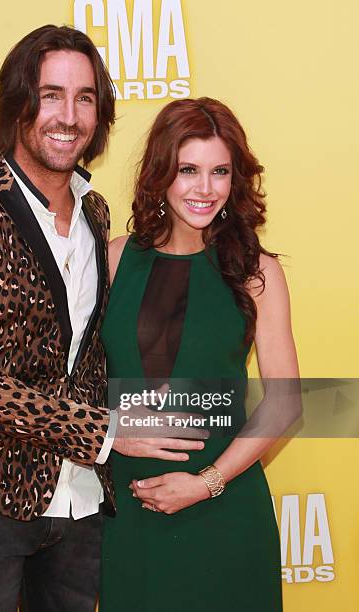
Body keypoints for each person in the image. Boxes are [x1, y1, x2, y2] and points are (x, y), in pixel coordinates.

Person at [0, 25, 203, 612]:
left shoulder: (97, 213)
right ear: (17, 102)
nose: (67, 116)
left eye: (85, 98)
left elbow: (94, 349)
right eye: (50, 95)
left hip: (81, 505)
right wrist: (108, 433)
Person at [100, 97, 300, 611]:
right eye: (188, 170)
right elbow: (69, 379)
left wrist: (205, 483)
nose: (204, 188)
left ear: (237, 180)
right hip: (130, 506)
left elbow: (285, 403)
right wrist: (110, 427)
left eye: (220, 172)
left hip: (225, 503)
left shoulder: (257, 272)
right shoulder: (115, 259)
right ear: (161, 172)